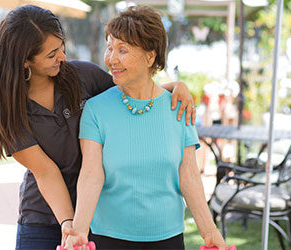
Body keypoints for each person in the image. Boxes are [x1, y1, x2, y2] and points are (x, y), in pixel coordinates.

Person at [0, 5, 196, 250]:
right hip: (43, 218)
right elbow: (46, 172)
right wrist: (70, 224)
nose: (62, 57)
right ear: (24, 61)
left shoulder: (83, 76)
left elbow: (131, 94)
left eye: (61, 48)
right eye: (51, 55)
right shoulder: (9, 111)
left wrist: (173, 87)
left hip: (96, 212)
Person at [64, 6, 227, 250]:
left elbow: (189, 176)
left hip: (167, 238)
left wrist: (210, 232)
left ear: (150, 56)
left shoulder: (179, 107)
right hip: (109, 237)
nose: (111, 58)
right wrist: (80, 231)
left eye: (123, 50)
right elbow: (91, 175)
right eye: (110, 47)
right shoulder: (96, 109)